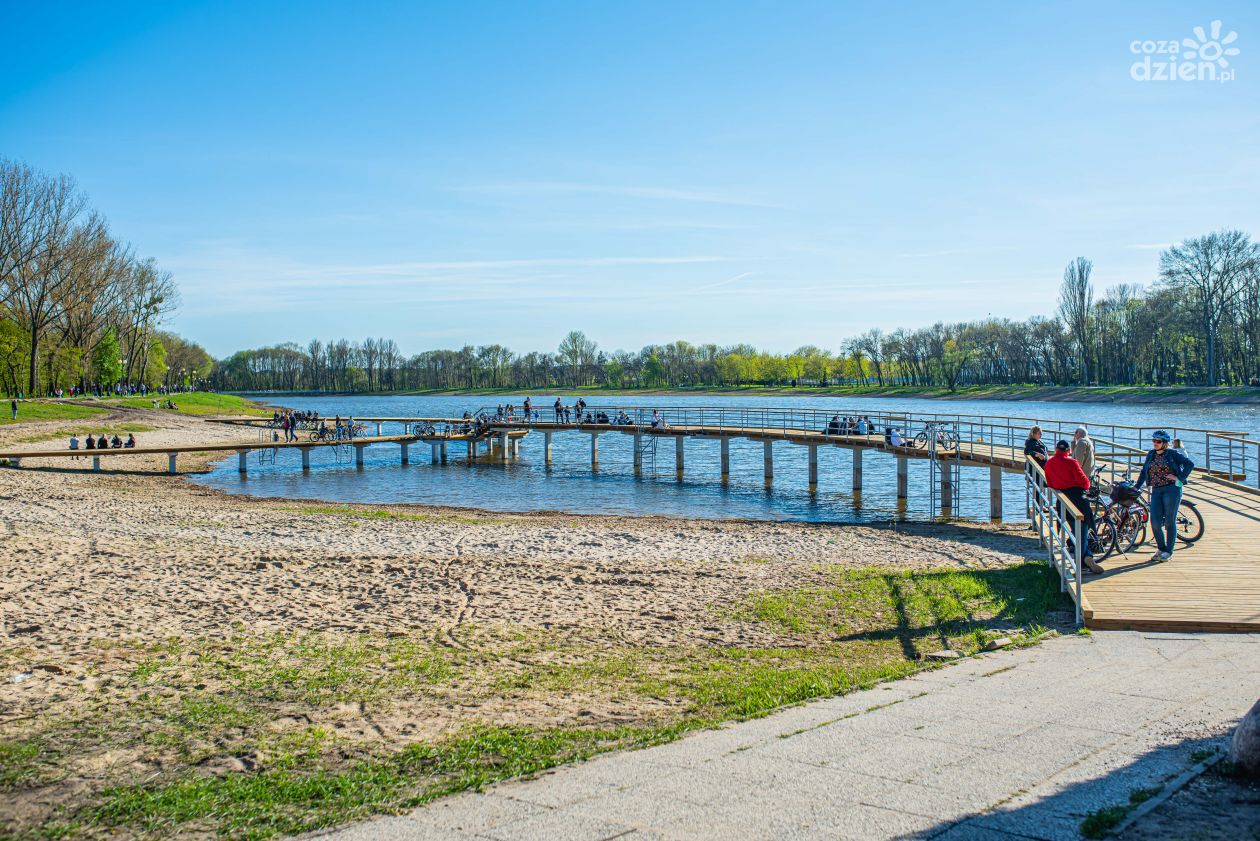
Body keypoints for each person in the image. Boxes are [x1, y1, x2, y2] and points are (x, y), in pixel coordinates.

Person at [1134, 430, 1194, 562]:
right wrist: (1136, 487)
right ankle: (1161, 548)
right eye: (1154, 440)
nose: (1155, 443)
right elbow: (1144, 472)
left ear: (1165, 443)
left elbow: (1190, 464)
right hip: (1156, 490)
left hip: (1171, 490)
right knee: (1154, 522)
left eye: (1158, 441)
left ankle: (1169, 551)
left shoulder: (1172, 454)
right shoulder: (1151, 454)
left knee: (1169, 522)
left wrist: (1179, 477)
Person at [1044, 440, 1103, 571]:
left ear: (1056, 449)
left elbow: (1049, 483)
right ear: (1068, 451)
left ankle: (1086, 556)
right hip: (1078, 500)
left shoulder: (1049, 464)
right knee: (1082, 528)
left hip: (1063, 500)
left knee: (1074, 528)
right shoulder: (1072, 462)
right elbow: (1085, 483)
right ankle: (1082, 561)